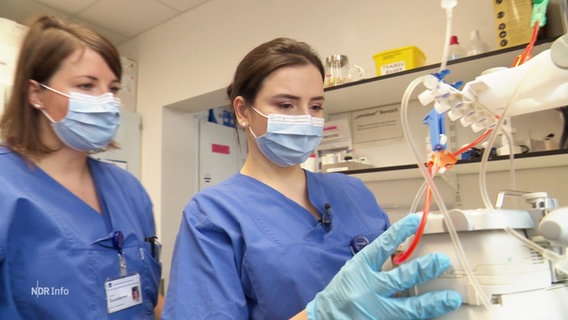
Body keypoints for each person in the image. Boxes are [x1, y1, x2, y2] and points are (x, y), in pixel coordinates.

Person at [162, 37, 462, 319]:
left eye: (315, 106)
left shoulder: (352, 192)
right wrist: (322, 313)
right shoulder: (213, 216)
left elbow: (392, 279)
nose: (305, 119)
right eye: (285, 105)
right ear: (243, 111)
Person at [0, 15, 163, 319]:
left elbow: (149, 297)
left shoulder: (129, 190)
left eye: (112, 88)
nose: (107, 101)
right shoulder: (6, 187)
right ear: (36, 93)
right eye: (87, 85)